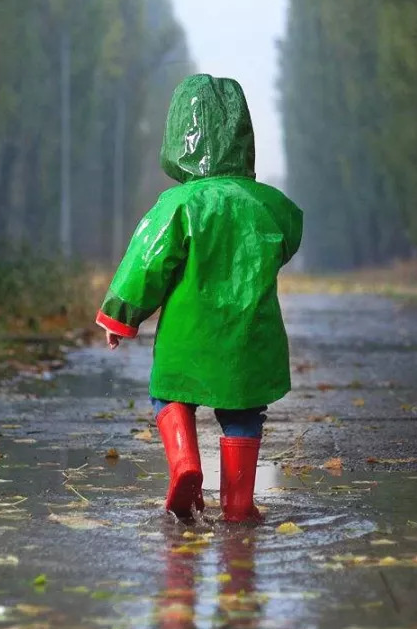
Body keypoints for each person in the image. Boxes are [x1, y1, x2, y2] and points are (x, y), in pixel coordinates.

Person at [95, 74, 303, 522]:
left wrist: (120, 317)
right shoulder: (268, 204)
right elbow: (289, 237)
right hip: (250, 337)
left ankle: (186, 463)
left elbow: (147, 262)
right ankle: (239, 502)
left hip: (186, 337)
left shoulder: (176, 204)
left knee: (168, 394)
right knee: (244, 411)